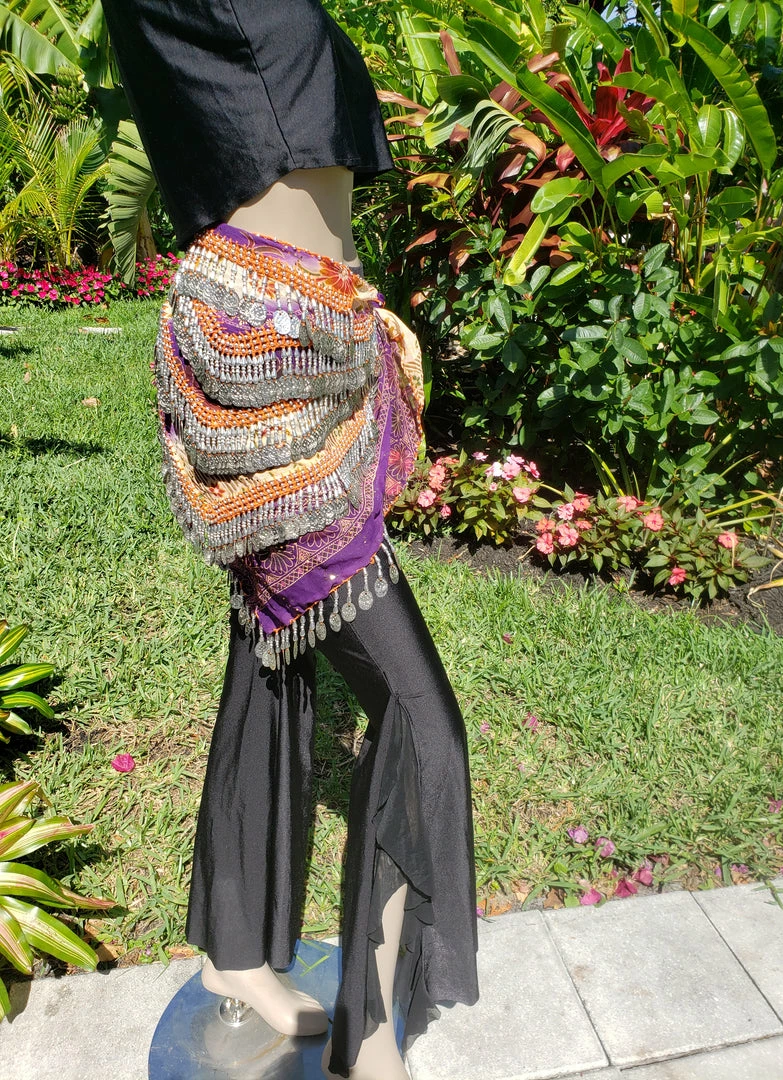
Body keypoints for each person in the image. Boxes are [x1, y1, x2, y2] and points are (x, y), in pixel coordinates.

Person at [100, 2, 479, 1077]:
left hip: (309, 351)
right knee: (423, 723)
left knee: (271, 654)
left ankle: (236, 949)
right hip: (264, 363)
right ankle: (369, 1035)